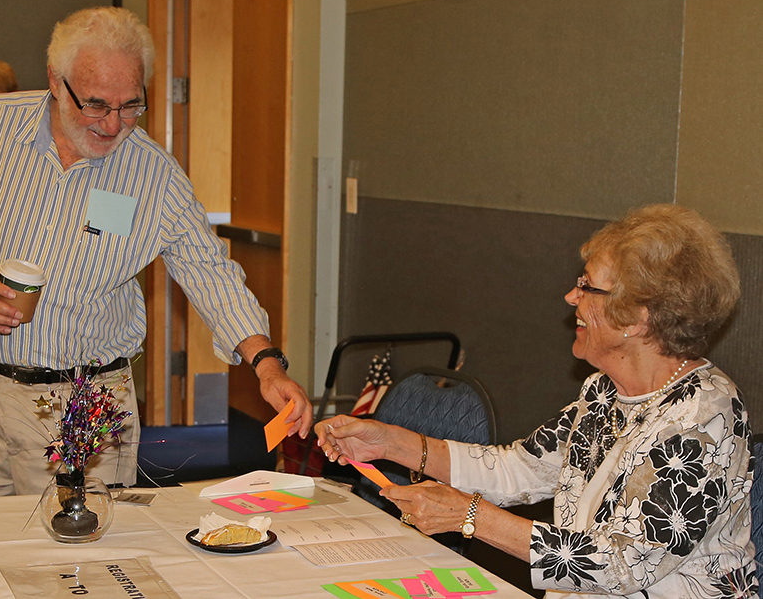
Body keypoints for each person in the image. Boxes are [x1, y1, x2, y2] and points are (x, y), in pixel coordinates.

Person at [0, 7, 312, 598]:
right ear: (54, 78)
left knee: (76, 575)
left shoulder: (152, 175)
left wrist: (266, 362)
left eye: (130, 105)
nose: (113, 123)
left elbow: (208, 269)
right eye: (95, 103)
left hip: (82, 405)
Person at [316, 204, 756, 598]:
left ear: (638, 318)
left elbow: (622, 564)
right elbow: (517, 469)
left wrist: (470, 517)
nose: (571, 298)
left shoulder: (705, 416)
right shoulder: (604, 390)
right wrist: (390, 443)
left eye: (587, 287)